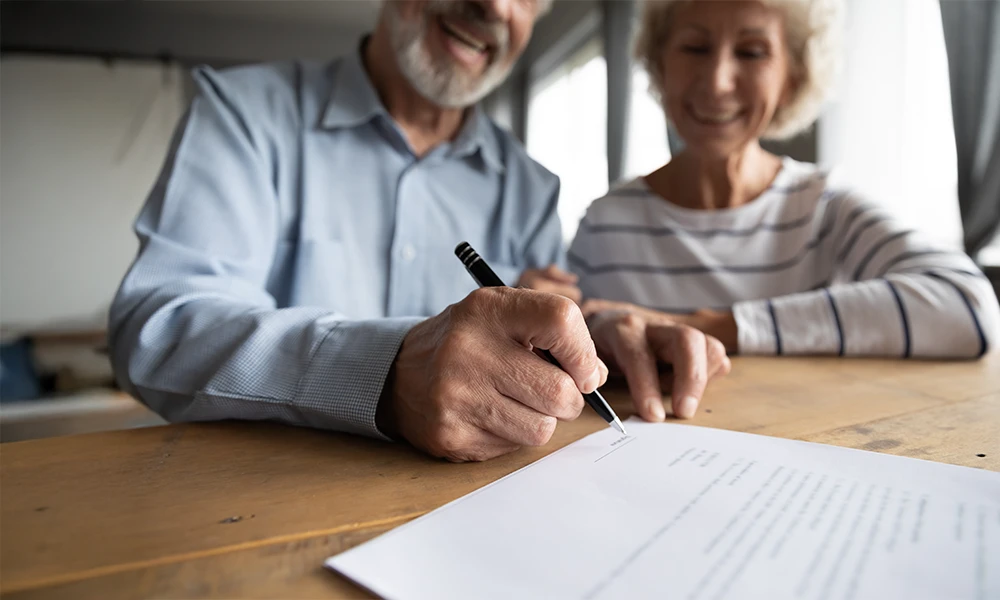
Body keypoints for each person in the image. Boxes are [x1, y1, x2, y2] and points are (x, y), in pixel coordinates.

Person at [109, 0, 731, 463]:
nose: (494, 5)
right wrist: (383, 372)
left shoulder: (531, 187)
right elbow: (160, 328)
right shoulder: (242, 116)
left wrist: (595, 340)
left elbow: (540, 339)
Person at [570, 0, 1000, 418]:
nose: (717, 82)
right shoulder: (603, 222)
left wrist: (713, 326)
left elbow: (970, 308)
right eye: (695, 48)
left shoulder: (825, 206)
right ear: (660, 64)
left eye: (752, 52)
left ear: (792, 79)